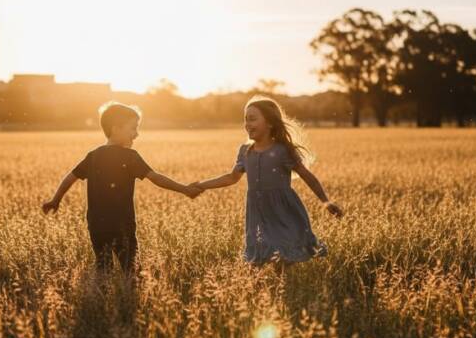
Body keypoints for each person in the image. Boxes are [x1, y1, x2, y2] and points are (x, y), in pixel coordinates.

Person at [42, 102, 202, 275]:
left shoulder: (93, 156)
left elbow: (69, 178)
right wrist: (184, 189)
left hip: (96, 224)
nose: (137, 134)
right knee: (131, 269)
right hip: (122, 224)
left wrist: (55, 200)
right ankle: (130, 298)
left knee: (103, 267)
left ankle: (99, 299)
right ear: (116, 128)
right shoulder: (130, 157)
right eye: (133, 128)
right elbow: (156, 178)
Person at [192, 96, 342, 265]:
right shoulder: (245, 151)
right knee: (257, 256)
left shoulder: (283, 150)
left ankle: (284, 286)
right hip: (257, 212)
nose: (247, 124)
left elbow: (308, 177)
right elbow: (231, 177)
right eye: (245, 120)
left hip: (282, 211)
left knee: (282, 255)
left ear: (270, 123)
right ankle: (262, 288)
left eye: (253, 119)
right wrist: (201, 185)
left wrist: (326, 201)